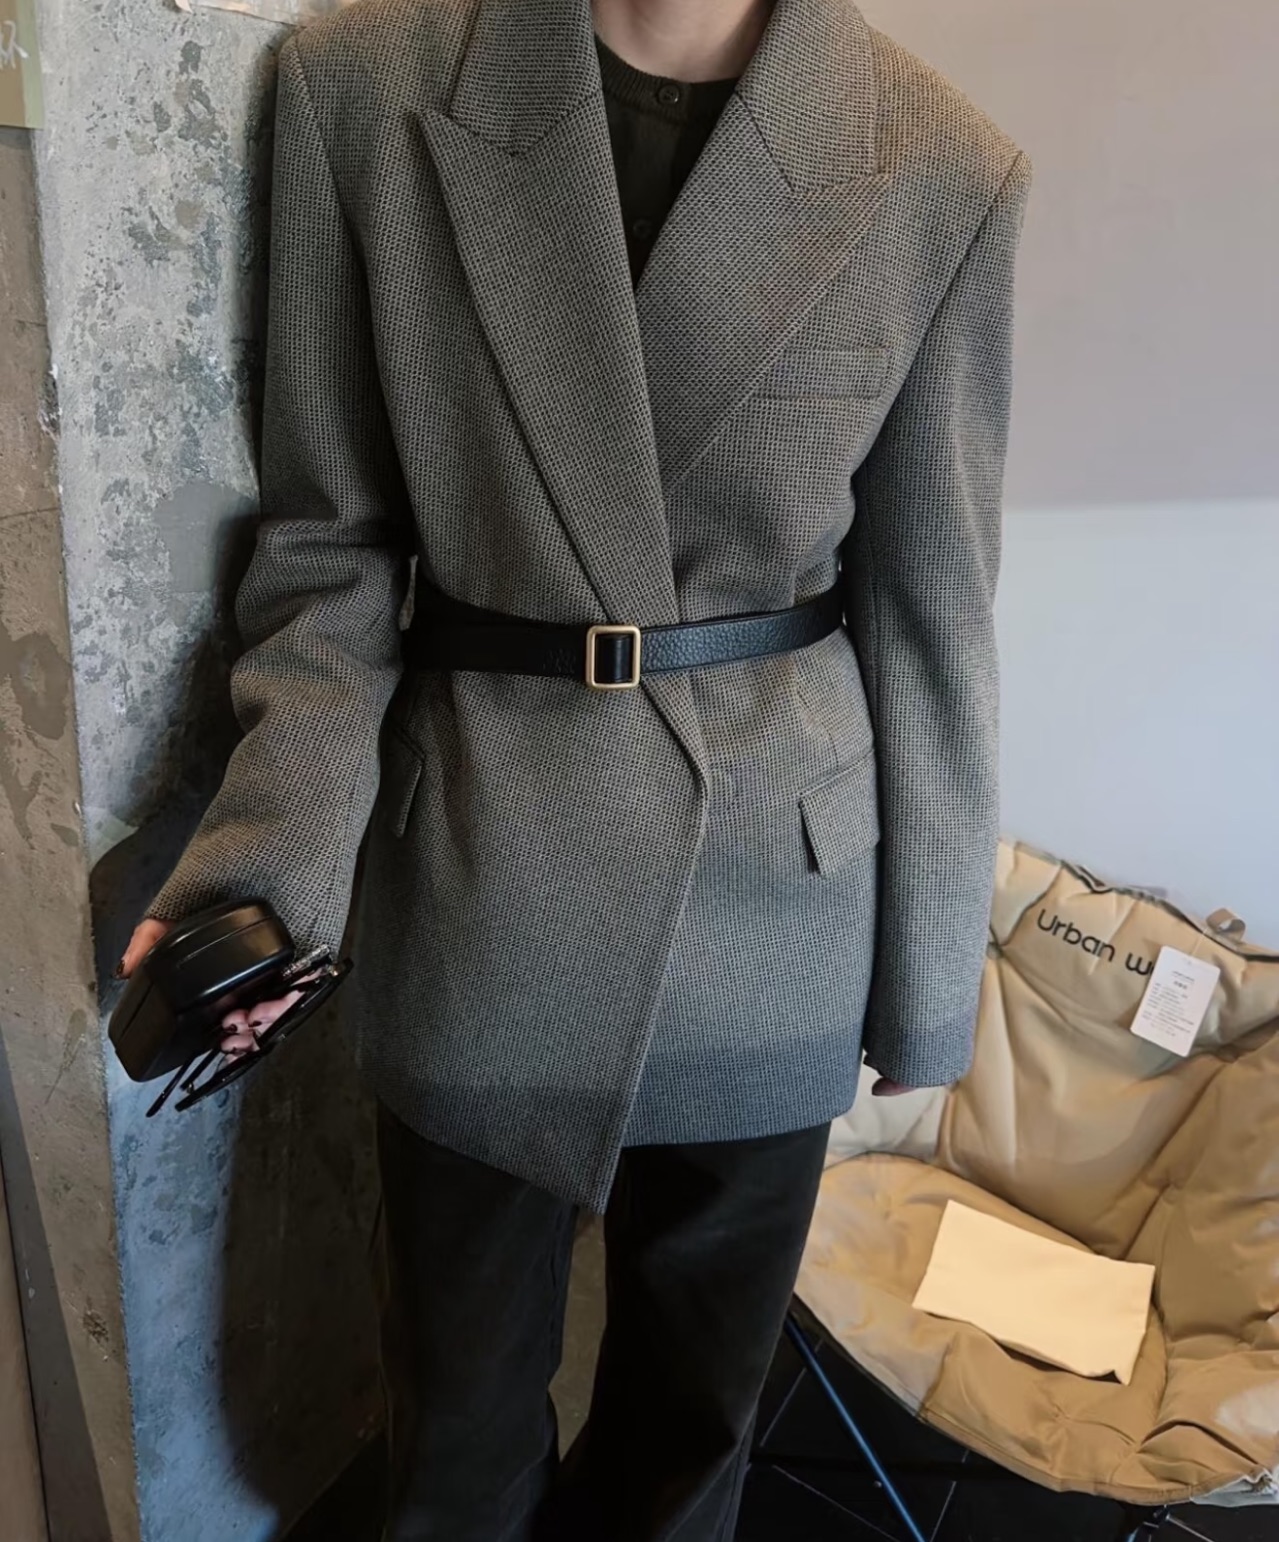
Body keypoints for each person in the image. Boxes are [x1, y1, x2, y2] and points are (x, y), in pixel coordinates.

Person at [119, 0, 1033, 1536]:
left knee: (688, 1450)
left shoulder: (943, 166)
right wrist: (270, 861)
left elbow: (932, 604)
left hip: (775, 900)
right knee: (451, 1447)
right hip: (485, 863)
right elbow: (331, 551)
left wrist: (930, 977)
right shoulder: (365, 89)